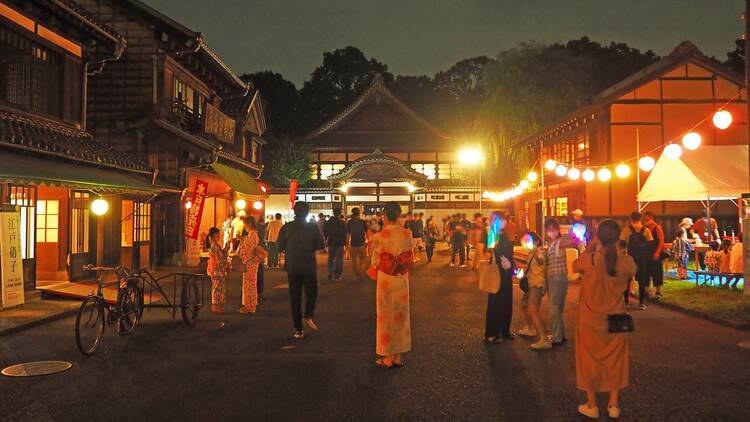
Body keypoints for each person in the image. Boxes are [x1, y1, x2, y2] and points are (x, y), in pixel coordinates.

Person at [573, 219, 636, 420]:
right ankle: (613, 405)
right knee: (615, 361)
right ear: (618, 238)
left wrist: (590, 247)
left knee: (588, 361)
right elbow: (632, 270)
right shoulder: (626, 261)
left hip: (589, 319)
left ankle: (592, 405)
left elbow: (575, 266)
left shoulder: (590, 259)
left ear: (598, 236)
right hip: (616, 318)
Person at [367, 201, 415, 368]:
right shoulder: (407, 234)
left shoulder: (378, 237)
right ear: (399, 215)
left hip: (386, 280)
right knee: (401, 315)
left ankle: (387, 356)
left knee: (385, 316)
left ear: (385, 216)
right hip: (402, 277)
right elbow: (410, 256)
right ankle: (398, 355)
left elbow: (375, 262)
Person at [277, 201, 325, 339]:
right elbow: (321, 244)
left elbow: (279, 246)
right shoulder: (313, 227)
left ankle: (298, 329)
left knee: (295, 297)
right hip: (308, 265)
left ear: (294, 212)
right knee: (312, 292)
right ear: (307, 212)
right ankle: (309, 313)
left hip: (292, 266)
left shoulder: (287, 227)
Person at [484, 211, 515, 343]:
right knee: (495, 303)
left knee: (507, 302)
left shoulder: (504, 235)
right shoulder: (492, 234)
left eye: (503, 220)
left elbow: (509, 252)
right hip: (497, 272)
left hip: (506, 273)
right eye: (500, 220)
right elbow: (489, 252)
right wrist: (495, 256)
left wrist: (511, 263)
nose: (503, 222)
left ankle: (505, 330)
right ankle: (491, 333)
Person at [517, 232, 550, 350]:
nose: (526, 243)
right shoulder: (531, 252)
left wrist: (536, 255)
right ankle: (530, 328)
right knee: (523, 305)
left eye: (529, 241)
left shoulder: (539, 251)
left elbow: (541, 261)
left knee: (532, 310)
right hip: (530, 283)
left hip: (537, 284)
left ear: (536, 241)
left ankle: (544, 338)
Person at [545, 218, 571, 345]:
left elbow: (568, 242)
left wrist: (576, 236)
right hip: (555, 279)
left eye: (553, 229)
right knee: (558, 309)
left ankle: (556, 337)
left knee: (554, 309)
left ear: (557, 230)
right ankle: (560, 334)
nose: (551, 232)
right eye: (548, 230)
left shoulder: (559, 242)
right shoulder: (550, 244)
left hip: (557, 279)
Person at [620, 212, 653, 310]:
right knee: (641, 280)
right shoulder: (646, 230)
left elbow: (622, 244)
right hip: (642, 258)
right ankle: (641, 302)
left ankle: (626, 302)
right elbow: (650, 244)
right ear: (640, 218)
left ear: (631, 218)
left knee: (627, 280)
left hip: (630, 257)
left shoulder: (626, 230)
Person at [237, 216, 263, 314]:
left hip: (250, 262)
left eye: (245, 224)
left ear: (249, 224)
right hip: (251, 262)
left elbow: (247, 249)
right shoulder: (252, 235)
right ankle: (250, 305)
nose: (244, 226)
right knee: (250, 284)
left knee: (249, 285)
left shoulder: (252, 235)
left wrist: (241, 241)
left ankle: (249, 306)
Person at [642, 211, 666, 299]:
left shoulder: (657, 227)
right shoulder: (645, 228)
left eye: (647, 219)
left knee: (657, 272)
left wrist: (657, 252)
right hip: (646, 253)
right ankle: (646, 291)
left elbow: (661, 241)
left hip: (656, 252)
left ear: (651, 217)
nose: (645, 220)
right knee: (646, 272)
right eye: (644, 219)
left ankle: (658, 291)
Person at [206, 227, 230, 314]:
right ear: (215, 235)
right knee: (217, 289)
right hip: (217, 270)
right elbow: (220, 259)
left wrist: (226, 249)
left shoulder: (214, 245)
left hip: (217, 270)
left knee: (219, 288)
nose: (219, 236)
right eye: (218, 235)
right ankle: (215, 307)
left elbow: (221, 256)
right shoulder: (215, 246)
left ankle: (217, 306)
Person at [346, 207, 369, 282]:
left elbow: (348, 234)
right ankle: (361, 273)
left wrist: (347, 243)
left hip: (353, 244)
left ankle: (359, 273)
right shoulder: (362, 222)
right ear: (359, 213)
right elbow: (366, 232)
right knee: (363, 260)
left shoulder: (349, 222)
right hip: (361, 243)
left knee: (354, 261)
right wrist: (368, 241)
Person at [324, 207, 346, 280]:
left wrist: (325, 243)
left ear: (333, 213)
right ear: (340, 214)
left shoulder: (328, 222)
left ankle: (330, 272)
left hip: (331, 242)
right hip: (340, 243)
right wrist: (345, 243)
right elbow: (344, 233)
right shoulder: (342, 222)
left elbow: (325, 233)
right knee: (339, 259)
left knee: (331, 258)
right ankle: (337, 274)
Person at [253, 212, 267, 302]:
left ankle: (253, 294)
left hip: (254, 254)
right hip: (258, 253)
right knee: (259, 274)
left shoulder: (249, 229)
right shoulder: (261, 228)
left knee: (254, 275)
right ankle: (258, 294)